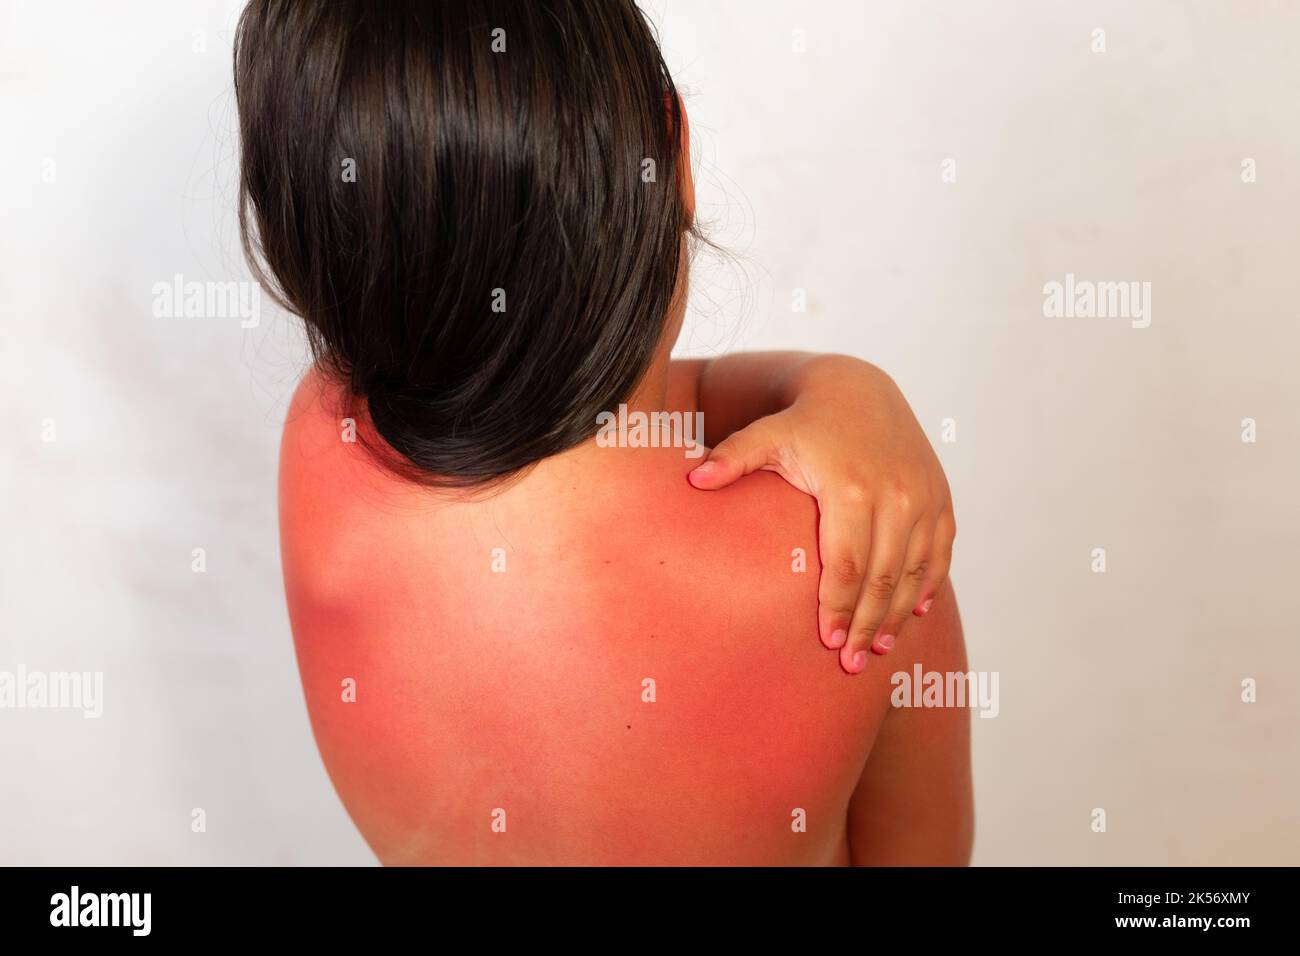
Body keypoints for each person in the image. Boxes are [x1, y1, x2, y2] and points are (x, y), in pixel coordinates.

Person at [236, 0, 972, 865]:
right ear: (677, 148)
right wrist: (850, 388)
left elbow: (584, 397)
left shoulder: (323, 441)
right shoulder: (858, 567)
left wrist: (830, 387)